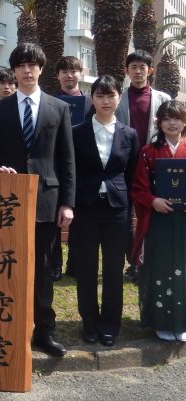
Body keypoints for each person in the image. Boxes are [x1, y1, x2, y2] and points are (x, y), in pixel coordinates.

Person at [0, 42, 75, 357]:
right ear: (14, 71)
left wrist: (67, 203)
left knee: (43, 268)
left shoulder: (58, 108)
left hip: (46, 200)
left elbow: (67, 159)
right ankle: (11, 326)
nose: (27, 70)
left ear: (41, 69)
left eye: (32, 64)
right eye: (21, 65)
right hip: (8, 201)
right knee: (8, 266)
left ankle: (44, 331)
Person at [72, 75, 139, 347]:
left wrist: (132, 210)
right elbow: (71, 171)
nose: (105, 101)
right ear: (92, 99)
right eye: (100, 95)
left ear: (119, 98)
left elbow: (132, 174)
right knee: (86, 268)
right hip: (85, 208)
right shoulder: (77, 132)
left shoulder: (129, 134)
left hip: (117, 210)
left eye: (110, 95)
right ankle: (89, 322)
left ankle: (110, 324)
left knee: (113, 270)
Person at [131, 100, 186, 342]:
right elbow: (138, 188)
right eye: (167, 118)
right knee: (159, 267)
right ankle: (160, 322)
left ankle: (181, 322)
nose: (172, 123)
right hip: (158, 220)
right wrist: (152, 201)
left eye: (177, 118)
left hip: (183, 220)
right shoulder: (148, 151)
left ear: (185, 122)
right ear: (159, 122)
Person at [116, 50, 171, 283]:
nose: (138, 71)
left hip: (153, 164)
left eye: (142, 67)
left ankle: (148, 261)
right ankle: (132, 261)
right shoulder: (119, 98)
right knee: (125, 216)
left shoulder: (163, 99)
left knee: (148, 215)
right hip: (125, 163)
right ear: (126, 71)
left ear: (150, 70)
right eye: (133, 67)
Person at [52, 56, 95, 281]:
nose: (69, 75)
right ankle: (54, 265)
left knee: (81, 219)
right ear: (57, 75)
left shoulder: (91, 103)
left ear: (80, 73)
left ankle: (75, 264)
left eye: (74, 71)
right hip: (55, 167)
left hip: (84, 168)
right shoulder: (49, 101)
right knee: (53, 218)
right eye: (64, 71)